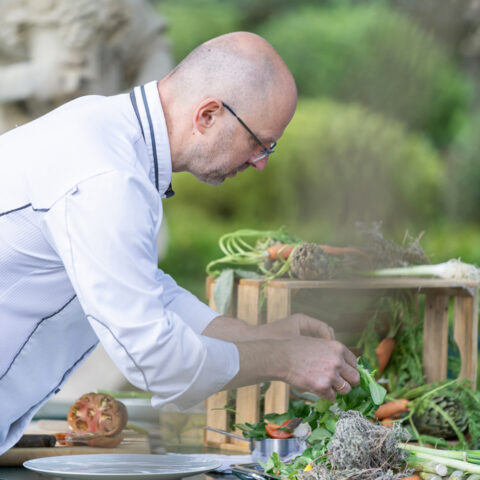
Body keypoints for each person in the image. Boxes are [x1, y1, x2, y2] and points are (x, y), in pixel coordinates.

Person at [0, 32, 359, 454]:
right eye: (260, 144)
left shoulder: (105, 133)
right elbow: (157, 358)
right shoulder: (106, 179)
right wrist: (285, 360)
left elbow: (148, 290)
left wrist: (259, 337)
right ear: (208, 115)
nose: (261, 164)